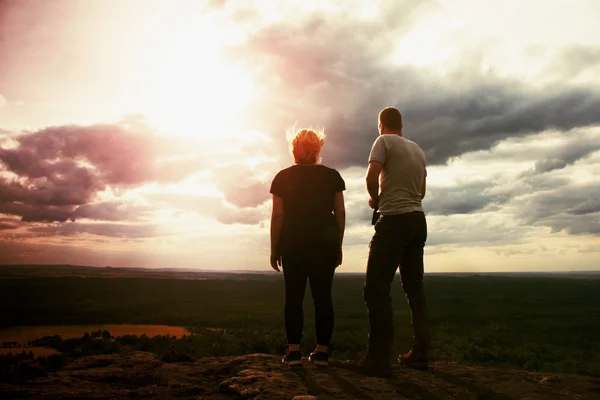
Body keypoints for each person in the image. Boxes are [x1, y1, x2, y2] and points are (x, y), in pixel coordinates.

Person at [360, 106, 430, 376]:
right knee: (414, 288)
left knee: (376, 288)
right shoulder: (418, 150)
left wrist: (376, 200)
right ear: (401, 125)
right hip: (417, 220)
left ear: (382, 125)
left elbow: (371, 175)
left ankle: (378, 357)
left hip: (393, 221)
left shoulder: (383, 142)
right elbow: (421, 192)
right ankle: (420, 352)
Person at [269, 128, 346, 367]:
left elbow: (278, 216)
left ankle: (293, 351)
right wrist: (338, 244)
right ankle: (322, 351)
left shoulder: (282, 177)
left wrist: (274, 248)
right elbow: (340, 212)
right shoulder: (332, 176)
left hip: (292, 245)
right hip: (324, 245)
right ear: (318, 149)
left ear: (294, 150)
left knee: (294, 298)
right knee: (323, 298)